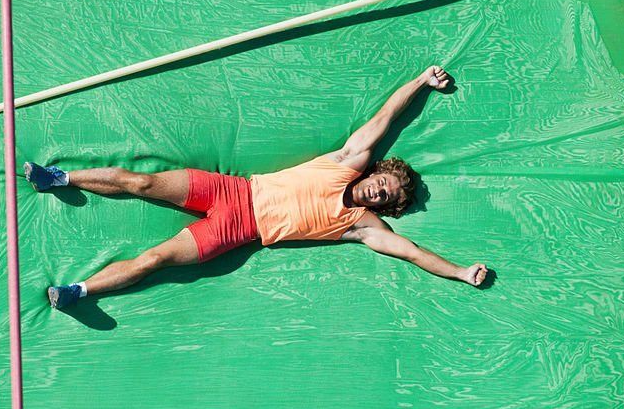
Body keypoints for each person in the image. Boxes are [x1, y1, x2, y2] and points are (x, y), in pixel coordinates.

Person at [26, 65, 490, 309]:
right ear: (375, 172)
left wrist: (460, 271)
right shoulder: (346, 162)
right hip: (231, 191)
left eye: (388, 198)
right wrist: (422, 83)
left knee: (155, 260)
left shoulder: (361, 227)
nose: (379, 193)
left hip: (239, 232)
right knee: (141, 181)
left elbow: (410, 251)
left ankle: (79, 291)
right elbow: (386, 118)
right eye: (382, 183)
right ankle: (58, 178)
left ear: (387, 208)